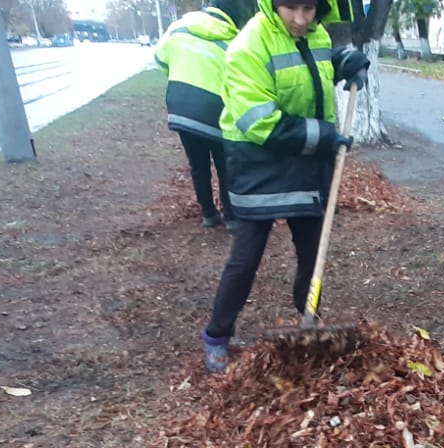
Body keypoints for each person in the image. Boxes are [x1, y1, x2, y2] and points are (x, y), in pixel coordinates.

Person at [199, 0, 370, 373]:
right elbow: (260, 123)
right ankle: (216, 336)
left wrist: (344, 63)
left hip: (306, 161)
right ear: (272, 5)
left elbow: (314, 70)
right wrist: (326, 136)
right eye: (290, 8)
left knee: (312, 249)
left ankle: (308, 318)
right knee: (246, 257)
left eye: (309, 9)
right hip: (257, 162)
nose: (300, 19)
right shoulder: (248, 47)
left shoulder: (316, 33)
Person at [153, 0, 257, 229]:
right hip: (216, 113)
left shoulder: (178, 28)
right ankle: (231, 218)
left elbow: (161, 60)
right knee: (224, 166)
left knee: (198, 165)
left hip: (181, 109)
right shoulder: (233, 41)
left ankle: (209, 215)